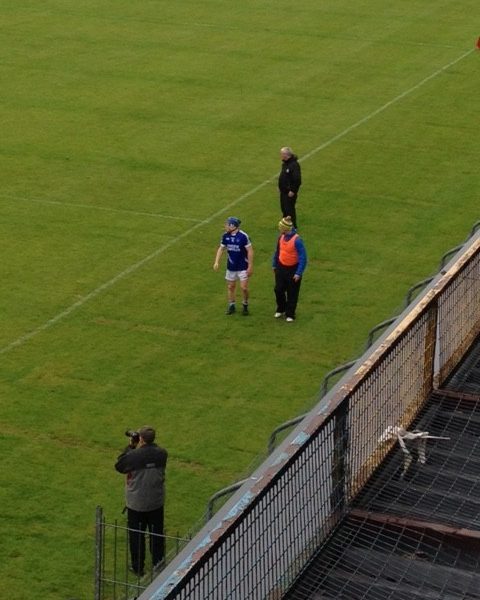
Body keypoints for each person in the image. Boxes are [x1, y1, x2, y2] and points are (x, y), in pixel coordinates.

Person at [115, 426, 168, 576]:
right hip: (156, 501)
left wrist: (131, 446)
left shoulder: (134, 455)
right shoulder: (162, 454)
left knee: (136, 536)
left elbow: (120, 466)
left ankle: (138, 567)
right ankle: (159, 563)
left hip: (136, 503)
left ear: (141, 439)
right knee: (156, 534)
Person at [213, 216, 254, 315]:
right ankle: (231, 305)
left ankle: (245, 304)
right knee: (231, 286)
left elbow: (250, 251)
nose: (225, 226)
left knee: (244, 288)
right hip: (231, 266)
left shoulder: (243, 236)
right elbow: (221, 248)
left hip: (243, 266)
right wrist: (216, 261)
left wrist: (250, 266)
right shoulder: (225, 236)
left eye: (227, 224)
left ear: (232, 226)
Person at [272, 216, 307, 322]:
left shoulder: (297, 240)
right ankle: (281, 308)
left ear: (286, 228)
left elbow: (303, 257)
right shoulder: (281, 237)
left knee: (292, 292)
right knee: (278, 289)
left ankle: (290, 314)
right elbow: (278, 251)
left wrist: (298, 272)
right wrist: (274, 264)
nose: (279, 229)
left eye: (280, 227)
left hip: (293, 269)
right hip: (281, 267)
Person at [278, 147, 302, 229]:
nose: (280, 155)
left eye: (282, 154)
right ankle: (285, 225)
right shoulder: (285, 163)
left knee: (289, 209)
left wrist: (293, 190)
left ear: (286, 155)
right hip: (284, 191)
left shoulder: (294, 165)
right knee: (284, 208)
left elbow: (297, 179)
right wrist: (280, 187)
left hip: (289, 192)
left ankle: (293, 226)